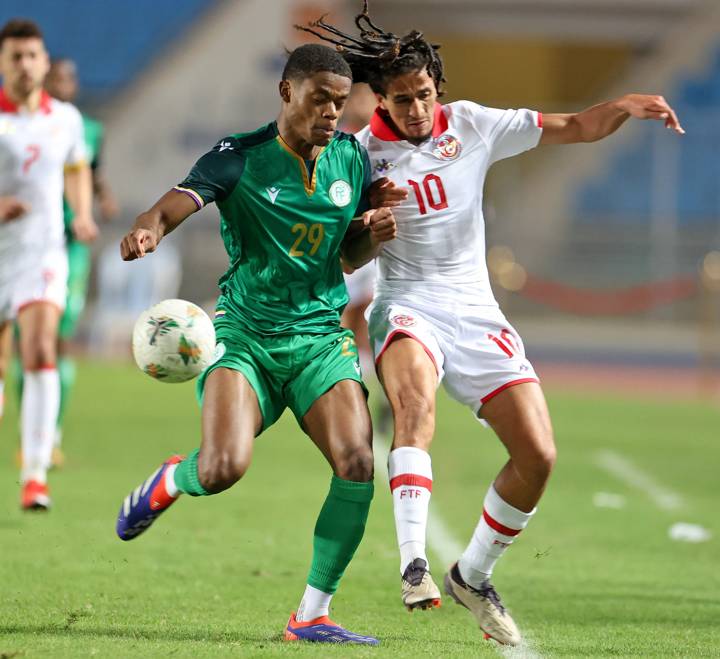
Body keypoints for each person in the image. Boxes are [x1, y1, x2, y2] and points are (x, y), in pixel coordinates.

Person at [299, 2, 684, 645]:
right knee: (415, 411)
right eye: (402, 98)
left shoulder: (475, 125)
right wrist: (369, 224)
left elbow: (575, 126)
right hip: (407, 303)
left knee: (538, 455)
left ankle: (473, 575)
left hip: (476, 309)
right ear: (381, 101)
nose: (417, 108)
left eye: (423, 94)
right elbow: (342, 254)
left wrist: (623, 104)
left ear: (436, 88)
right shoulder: (359, 156)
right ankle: (413, 562)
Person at [115, 43, 396, 645]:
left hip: (321, 339)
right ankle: (171, 479)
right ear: (286, 92)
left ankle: (312, 615)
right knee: (222, 469)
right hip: (245, 337)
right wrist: (147, 228)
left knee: (357, 462)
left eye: (340, 103)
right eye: (319, 98)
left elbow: (346, 257)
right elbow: (170, 207)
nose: (330, 112)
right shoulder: (238, 157)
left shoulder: (351, 159)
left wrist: (371, 237)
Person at [0, 18, 96, 510]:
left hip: (41, 253)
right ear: (2, 63)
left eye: (31, 55)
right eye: (14, 56)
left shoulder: (66, 119)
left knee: (40, 350)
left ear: (43, 61)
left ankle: (35, 475)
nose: (24, 64)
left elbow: (77, 168)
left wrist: (80, 214)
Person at [41, 57, 118, 465]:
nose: (65, 82)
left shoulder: (88, 129)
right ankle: (34, 430)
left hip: (72, 243)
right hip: (30, 239)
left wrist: (101, 198)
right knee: (25, 341)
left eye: (70, 76)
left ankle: (50, 431)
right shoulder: (29, 124)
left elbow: (92, 169)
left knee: (59, 336)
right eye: (57, 76)